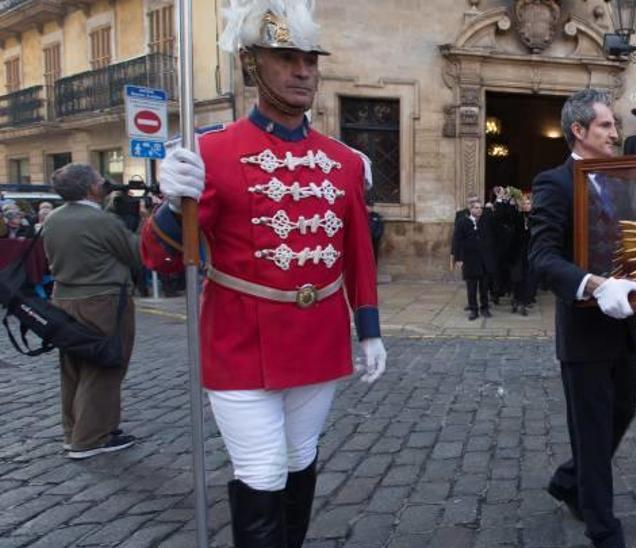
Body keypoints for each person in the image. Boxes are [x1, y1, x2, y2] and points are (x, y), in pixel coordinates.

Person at [141, 3, 387, 544]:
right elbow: (158, 259)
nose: (303, 71)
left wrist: (367, 327)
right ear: (254, 65)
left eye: (309, 60)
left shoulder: (343, 162)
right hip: (239, 338)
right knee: (262, 470)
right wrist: (170, 201)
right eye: (286, 58)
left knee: (300, 460)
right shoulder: (213, 152)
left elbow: (357, 255)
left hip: (318, 336)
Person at [529, 88, 636, 548]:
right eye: (606, 126)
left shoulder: (619, 181)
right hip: (583, 331)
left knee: (623, 410)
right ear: (578, 131)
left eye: (615, 125)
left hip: (625, 324)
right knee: (593, 431)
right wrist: (595, 285)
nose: (616, 133)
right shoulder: (553, 183)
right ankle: (602, 527)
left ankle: (567, 480)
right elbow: (541, 256)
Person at [41, 163, 141, 459]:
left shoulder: (54, 218)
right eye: (99, 180)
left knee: (73, 369)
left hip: (64, 300)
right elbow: (135, 253)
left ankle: (74, 432)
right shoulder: (100, 221)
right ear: (92, 188)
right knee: (104, 366)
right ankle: (91, 438)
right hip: (102, 301)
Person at [452, 197, 494, 320]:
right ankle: (473, 309)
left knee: (484, 286)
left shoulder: (485, 221)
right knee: (471, 287)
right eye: (476, 208)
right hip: (470, 260)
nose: (479, 210)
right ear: (470, 209)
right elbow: (457, 241)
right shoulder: (462, 222)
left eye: (480, 208)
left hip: (484, 260)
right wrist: (458, 258)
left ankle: (485, 308)